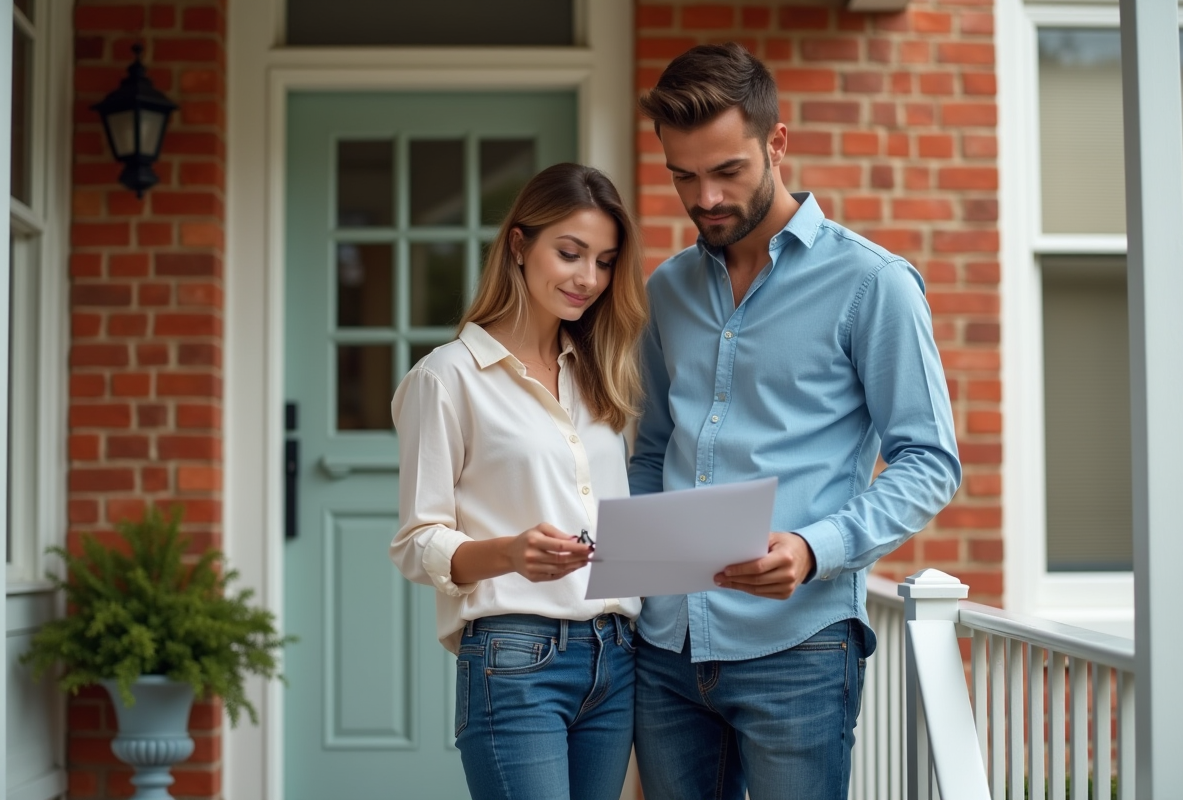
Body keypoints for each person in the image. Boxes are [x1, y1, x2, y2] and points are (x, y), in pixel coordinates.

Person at [629, 43, 962, 800]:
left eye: (727, 171)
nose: (705, 197)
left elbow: (928, 462)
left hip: (798, 649)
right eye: (683, 176)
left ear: (776, 142)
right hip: (667, 647)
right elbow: (652, 452)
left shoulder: (872, 284)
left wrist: (816, 549)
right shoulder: (665, 291)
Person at [389, 162, 648, 800]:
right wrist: (508, 552)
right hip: (516, 657)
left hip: (616, 653)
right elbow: (417, 543)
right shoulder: (447, 378)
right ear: (518, 245)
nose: (588, 278)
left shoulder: (599, 374)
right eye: (570, 253)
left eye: (605, 262)